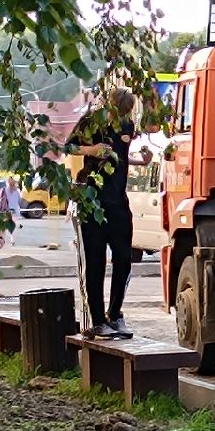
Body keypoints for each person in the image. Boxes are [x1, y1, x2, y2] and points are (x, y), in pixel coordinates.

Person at [66, 88, 148, 339]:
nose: (122, 116)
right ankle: (98, 320)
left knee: (124, 258)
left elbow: (118, 157)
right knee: (96, 262)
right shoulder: (92, 121)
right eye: (119, 110)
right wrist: (91, 150)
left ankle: (115, 314)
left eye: (126, 112)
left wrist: (139, 162)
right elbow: (69, 146)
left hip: (119, 202)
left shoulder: (127, 125)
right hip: (93, 201)